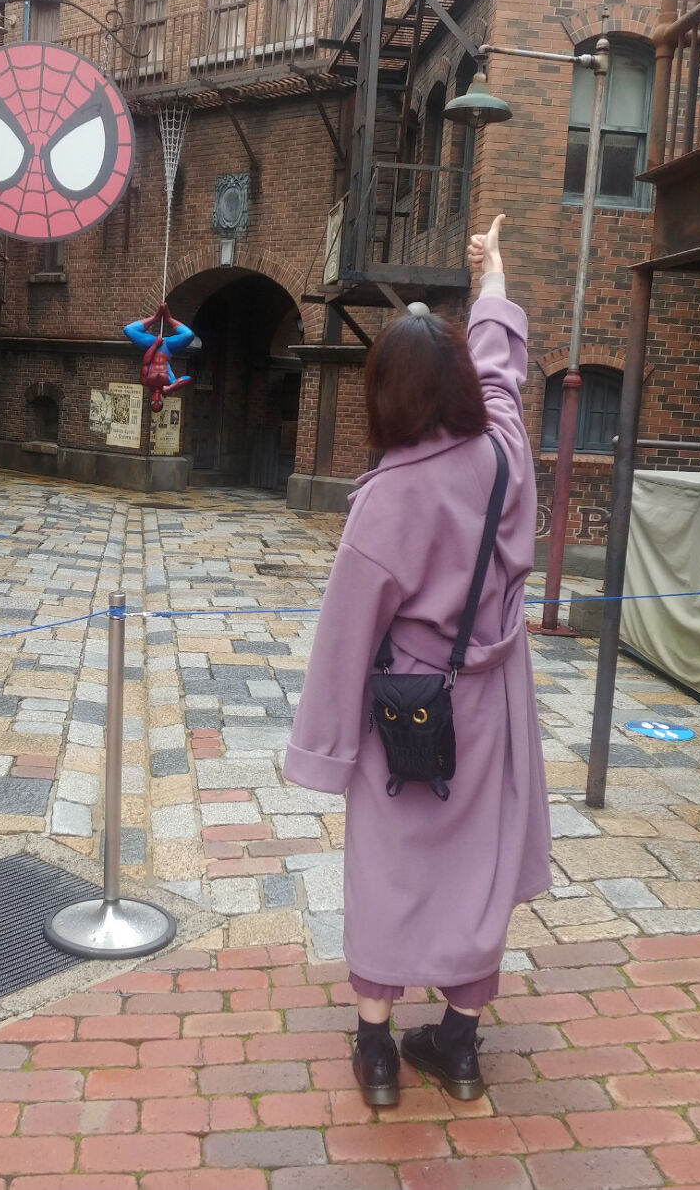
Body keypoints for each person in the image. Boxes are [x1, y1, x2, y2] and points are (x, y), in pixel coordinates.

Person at [282, 214, 551, 1106]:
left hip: (409, 712)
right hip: (493, 703)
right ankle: (459, 1046)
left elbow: (343, 639)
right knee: (480, 866)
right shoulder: (504, 454)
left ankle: (377, 1053)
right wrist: (492, 276)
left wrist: (325, 751)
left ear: (385, 393)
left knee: (389, 867)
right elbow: (503, 372)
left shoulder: (387, 497)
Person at [123, 302, 194, 411]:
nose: (156, 399)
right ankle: (169, 319)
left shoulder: (145, 381)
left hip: (151, 344)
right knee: (189, 335)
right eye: (159, 402)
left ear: (150, 399)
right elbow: (187, 378)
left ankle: (155, 318)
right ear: (162, 400)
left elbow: (146, 362)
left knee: (128, 329)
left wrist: (155, 345)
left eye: (153, 402)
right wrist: (171, 388)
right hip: (168, 347)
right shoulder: (170, 383)